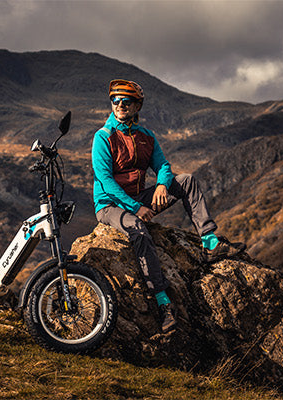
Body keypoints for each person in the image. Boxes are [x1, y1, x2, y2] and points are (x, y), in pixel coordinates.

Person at [89, 79, 243, 332]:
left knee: (187, 181)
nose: (119, 105)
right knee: (138, 229)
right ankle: (162, 301)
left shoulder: (146, 136)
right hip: (109, 205)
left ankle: (210, 242)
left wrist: (162, 185)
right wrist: (135, 208)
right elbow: (105, 181)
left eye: (126, 101)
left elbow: (162, 165)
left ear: (137, 106)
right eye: (115, 100)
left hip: (140, 198)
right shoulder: (103, 137)